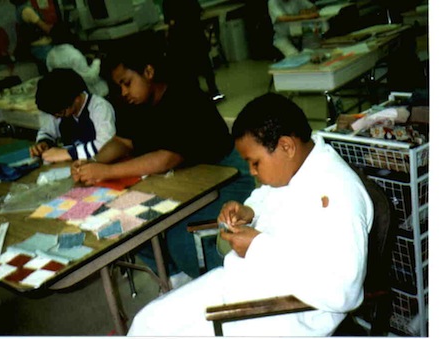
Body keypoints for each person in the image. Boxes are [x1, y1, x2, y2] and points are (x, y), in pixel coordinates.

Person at [127, 93, 374, 336]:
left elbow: (343, 291)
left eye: (255, 162)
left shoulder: (338, 192)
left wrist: (257, 246)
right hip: (249, 279)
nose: (252, 172)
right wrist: (250, 210)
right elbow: (268, 195)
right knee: (146, 323)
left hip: (292, 310)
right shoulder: (298, 165)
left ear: (286, 146)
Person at [71, 34, 255, 283]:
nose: (123, 92)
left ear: (148, 71)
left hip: (226, 175)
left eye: (127, 83)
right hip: (182, 178)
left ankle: (238, 282)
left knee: (180, 238)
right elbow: (122, 142)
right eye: (119, 86)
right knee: (132, 227)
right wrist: (94, 164)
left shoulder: (185, 96)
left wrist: (104, 171)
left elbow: (166, 158)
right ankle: (176, 281)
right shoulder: (133, 102)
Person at [30, 68, 116, 163]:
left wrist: (68, 153)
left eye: (60, 113)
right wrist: (44, 143)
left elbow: (107, 144)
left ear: (77, 99)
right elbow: (47, 131)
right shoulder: (61, 109)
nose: (56, 117)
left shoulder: (99, 107)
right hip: (73, 166)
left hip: (100, 164)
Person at [162, 0, 225, 103]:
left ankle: (197, 96)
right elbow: (198, 11)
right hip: (196, 36)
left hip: (182, 41)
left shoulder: (168, 2)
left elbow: (170, 22)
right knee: (206, 67)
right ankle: (214, 92)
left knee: (190, 70)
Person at [46, 22, 109, 97]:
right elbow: (91, 78)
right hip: (85, 92)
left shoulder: (50, 55)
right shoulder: (74, 55)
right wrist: (97, 60)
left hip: (65, 90)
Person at [9, 0, 53, 73]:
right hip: (42, 47)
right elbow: (45, 28)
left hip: (35, 47)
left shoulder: (18, 10)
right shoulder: (27, 10)